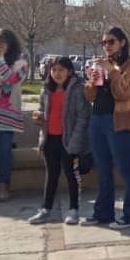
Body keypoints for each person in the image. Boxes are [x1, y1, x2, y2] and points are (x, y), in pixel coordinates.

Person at [81, 27, 130, 228]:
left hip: (120, 121)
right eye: (104, 43)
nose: (106, 46)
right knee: (103, 169)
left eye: (111, 42)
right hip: (98, 119)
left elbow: (124, 93)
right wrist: (91, 81)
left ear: (122, 42)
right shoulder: (103, 64)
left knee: (125, 168)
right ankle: (103, 213)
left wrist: (112, 71)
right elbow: (91, 97)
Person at [28, 57, 91, 225]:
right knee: (51, 175)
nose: (57, 73)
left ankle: (74, 210)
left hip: (68, 141)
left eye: (61, 70)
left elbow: (83, 117)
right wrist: (39, 117)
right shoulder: (46, 90)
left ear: (69, 72)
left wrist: (75, 143)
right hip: (50, 139)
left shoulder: (78, 90)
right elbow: (42, 111)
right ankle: (45, 209)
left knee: (71, 175)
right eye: (54, 70)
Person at [0, 28, 28, 201]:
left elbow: (11, 79)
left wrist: (0, 59)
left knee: (3, 152)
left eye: (2, 42)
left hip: (6, 118)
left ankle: (4, 187)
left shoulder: (21, 62)